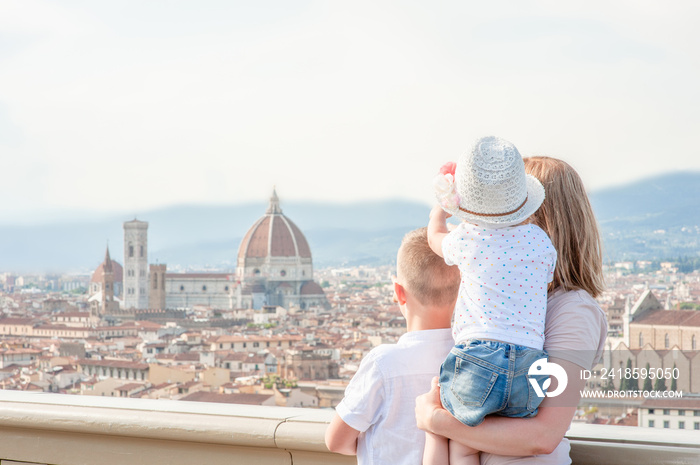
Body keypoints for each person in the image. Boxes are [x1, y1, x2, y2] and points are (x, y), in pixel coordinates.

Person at [416, 155, 607, 465]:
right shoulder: (516, 306)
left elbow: (543, 436)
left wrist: (436, 421)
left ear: (537, 217)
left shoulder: (575, 311)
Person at [425, 136, 557, 465]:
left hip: (479, 357)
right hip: (531, 365)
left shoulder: (468, 238)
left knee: (463, 442)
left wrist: (438, 215)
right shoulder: (541, 241)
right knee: (502, 436)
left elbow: (435, 240)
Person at [324, 227, 461, 465]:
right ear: (461, 292)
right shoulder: (470, 359)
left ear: (398, 291)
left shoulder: (383, 364)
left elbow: (335, 441)